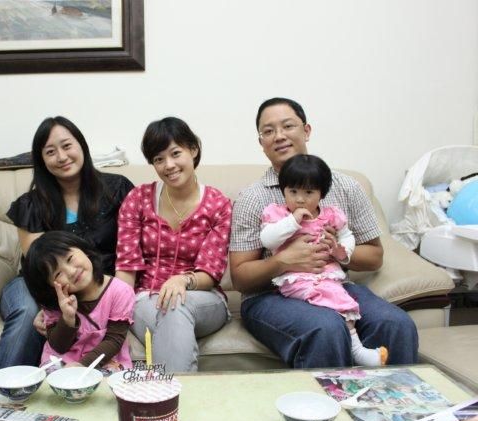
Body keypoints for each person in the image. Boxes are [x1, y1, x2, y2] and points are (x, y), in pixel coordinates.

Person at [229, 97, 418, 368]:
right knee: (326, 328)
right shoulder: (253, 198)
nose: (279, 136)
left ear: (306, 131)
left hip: (335, 285)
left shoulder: (346, 187)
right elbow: (240, 277)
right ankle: (327, 397)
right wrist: (283, 261)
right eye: (268, 131)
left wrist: (336, 252)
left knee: (396, 323)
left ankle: (391, 396)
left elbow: (375, 256)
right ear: (261, 143)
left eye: (287, 126)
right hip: (270, 295)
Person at [0, 116, 134, 372]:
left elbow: (130, 253)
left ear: (81, 145)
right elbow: (38, 269)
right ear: (41, 160)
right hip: (39, 287)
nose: (61, 157)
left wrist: (113, 296)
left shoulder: (117, 189)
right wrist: (49, 306)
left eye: (67, 146)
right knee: (27, 312)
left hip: (99, 284)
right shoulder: (31, 205)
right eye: (50, 152)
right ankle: (6, 389)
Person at [115, 117, 232, 373]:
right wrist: (113, 314)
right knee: (172, 312)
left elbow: (210, 274)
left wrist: (182, 281)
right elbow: (126, 268)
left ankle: (166, 394)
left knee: (176, 303)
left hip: (202, 297)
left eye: (175, 153)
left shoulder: (218, 205)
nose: (168, 165)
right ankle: (179, 394)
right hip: (146, 298)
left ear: (193, 149)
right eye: (159, 159)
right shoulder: (137, 199)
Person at [260, 154, 388, 367]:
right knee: (334, 304)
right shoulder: (278, 215)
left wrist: (340, 250)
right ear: (283, 190)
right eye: (293, 191)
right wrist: (293, 221)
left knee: (338, 299)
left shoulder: (331, 215)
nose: (300, 199)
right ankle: (357, 351)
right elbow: (268, 239)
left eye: (309, 192)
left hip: (327, 276)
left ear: (322, 194)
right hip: (296, 279)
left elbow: (348, 236)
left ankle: (357, 351)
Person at [22, 231, 134, 372]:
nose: (71, 272)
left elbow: (114, 340)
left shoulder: (120, 291)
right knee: (51, 381)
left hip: (104, 360)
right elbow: (58, 346)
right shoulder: (57, 301)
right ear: (50, 286)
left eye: (69, 259)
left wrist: (82, 366)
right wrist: (67, 318)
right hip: (62, 361)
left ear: (83, 249)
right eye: (58, 273)